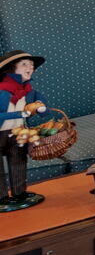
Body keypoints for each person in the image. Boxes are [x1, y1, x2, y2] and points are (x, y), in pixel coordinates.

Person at [0, 50, 49, 211]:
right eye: (24, 64)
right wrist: (20, 113)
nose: (30, 68)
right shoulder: (2, 91)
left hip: (18, 133)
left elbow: (45, 109)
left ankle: (20, 194)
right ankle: (2, 198)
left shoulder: (28, 90)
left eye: (32, 65)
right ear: (11, 68)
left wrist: (41, 108)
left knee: (19, 162)